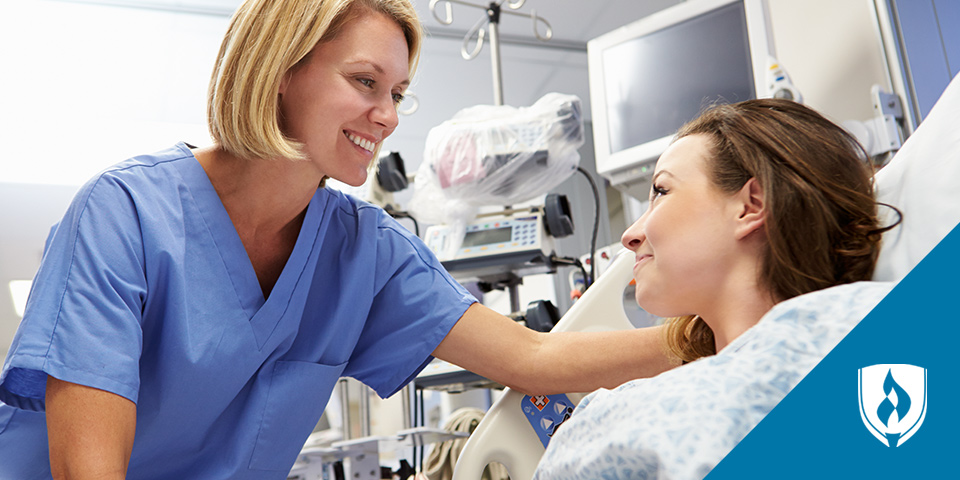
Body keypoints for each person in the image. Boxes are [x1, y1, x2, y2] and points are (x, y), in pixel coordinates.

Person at [0, 0, 675, 478]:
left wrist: (712, 334)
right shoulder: (123, 216)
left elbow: (531, 359)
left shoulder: (365, 253)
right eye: (364, 82)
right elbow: (87, 471)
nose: (386, 118)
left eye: (399, 93)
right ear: (282, 70)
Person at [532, 99, 899, 479]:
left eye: (661, 190)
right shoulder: (896, 329)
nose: (630, 235)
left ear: (750, 205)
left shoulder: (616, 424)